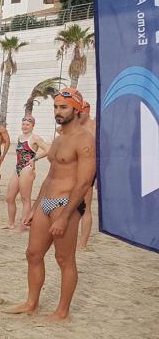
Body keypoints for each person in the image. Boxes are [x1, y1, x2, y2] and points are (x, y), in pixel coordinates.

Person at [7, 88, 96, 321]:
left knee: (64, 259)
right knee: (33, 253)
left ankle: (62, 311)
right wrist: (35, 208)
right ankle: (31, 303)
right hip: (46, 203)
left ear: (76, 110)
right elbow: (50, 176)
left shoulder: (85, 139)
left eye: (64, 107)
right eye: (56, 107)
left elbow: (85, 181)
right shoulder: (58, 139)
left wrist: (65, 216)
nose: (58, 111)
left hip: (66, 203)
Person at [4, 116, 50, 231]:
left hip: (27, 169)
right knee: (9, 198)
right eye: (23, 124)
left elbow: (48, 149)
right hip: (18, 168)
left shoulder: (35, 138)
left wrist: (35, 159)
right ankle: (11, 223)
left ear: (32, 125)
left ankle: (24, 225)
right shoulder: (20, 137)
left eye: (27, 124)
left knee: (25, 199)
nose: (25, 126)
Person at [78, 100, 97, 249]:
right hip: (73, 169)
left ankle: (83, 242)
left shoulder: (95, 126)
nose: (78, 114)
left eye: (80, 111)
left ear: (87, 110)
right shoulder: (75, 125)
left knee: (86, 206)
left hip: (88, 169)